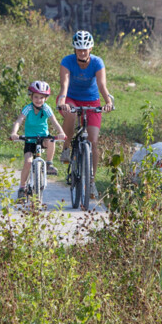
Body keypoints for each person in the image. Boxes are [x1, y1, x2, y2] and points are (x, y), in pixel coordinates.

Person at [56, 30, 114, 198]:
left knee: (93, 141)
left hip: (92, 100)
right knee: (71, 114)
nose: (82, 52)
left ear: (91, 48)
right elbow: (64, 84)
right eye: (79, 49)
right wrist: (62, 101)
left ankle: (91, 182)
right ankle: (66, 148)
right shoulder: (67, 61)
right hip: (71, 98)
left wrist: (108, 102)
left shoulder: (97, 62)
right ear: (74, 49)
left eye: (85, 49)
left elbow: (102, 85)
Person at [8, 80, 67, 199]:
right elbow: (19, 120)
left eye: (41, 97)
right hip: (30, 140)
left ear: (46, 98)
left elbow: (54, 122)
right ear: (31, 96)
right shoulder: (28, 108)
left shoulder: (46, 108)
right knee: (28, 162)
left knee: (51, 140)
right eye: (36, 97)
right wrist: (14, 132)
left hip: (43, 138)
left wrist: (61, 132)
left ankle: (49, 163)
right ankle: (22, 187)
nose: (38, 100)